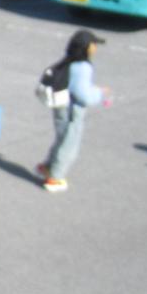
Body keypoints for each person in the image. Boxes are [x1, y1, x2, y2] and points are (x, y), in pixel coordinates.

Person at [39, 30, 109, 193]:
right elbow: (83, 95)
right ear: (87, 48)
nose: (95, 48)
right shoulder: (83, 67)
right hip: (71, 111)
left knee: (62, 138)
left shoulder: (68, 61)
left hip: (60, 105)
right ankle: (55, 178)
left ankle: (48, 166)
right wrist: (99, 93)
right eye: (93, 45)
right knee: (69, 144)